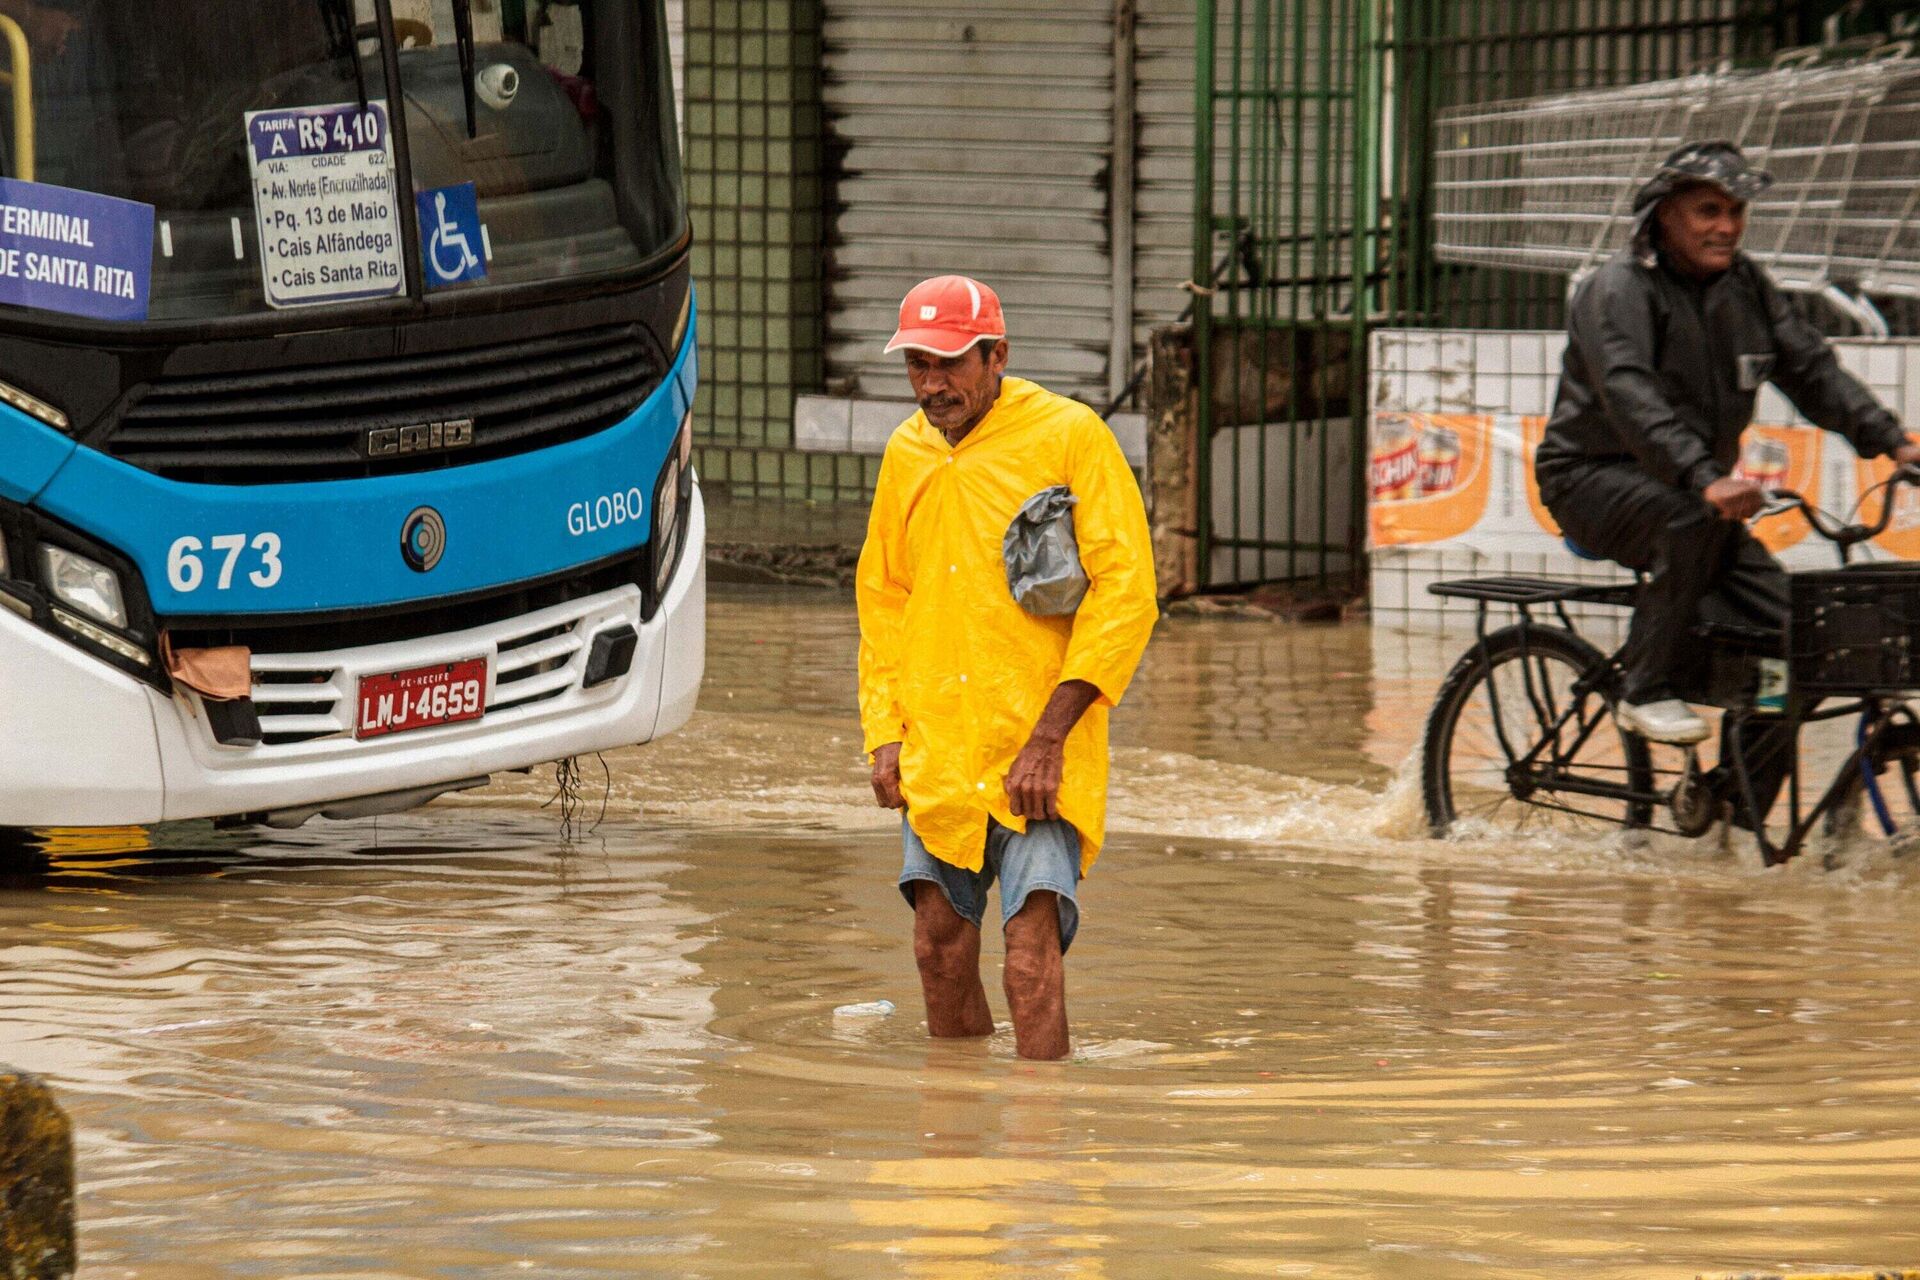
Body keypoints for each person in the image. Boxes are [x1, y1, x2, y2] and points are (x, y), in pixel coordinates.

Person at [856, 274, 1157, 1061]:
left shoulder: (1069, 436)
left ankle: (1038, 1145)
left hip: (1038, 752)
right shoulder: (906, 453)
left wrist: (1052, 737)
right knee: (937, 950)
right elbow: (883, 600)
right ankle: (953, 1136)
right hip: (940, 751)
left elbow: (1128, 595)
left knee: (1029, 958)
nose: (933, 384)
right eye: (918, 365)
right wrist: (884, 735)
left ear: (998, 356)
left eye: (951, 363)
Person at [1535, 140, 1919, 750]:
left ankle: (1739, 817)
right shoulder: (1619, 289)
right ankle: (1643, 688)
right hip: (1591, 479)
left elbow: (1811, 371)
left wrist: (1894, 443)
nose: (1727, 226)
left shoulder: (1746, 288)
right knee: (1689, 516)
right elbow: (1630, 393)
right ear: (1666, 214)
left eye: (1736, 212)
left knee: (1797, 638)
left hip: (1695, 493)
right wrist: (1704, 477)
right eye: (1708, 211)